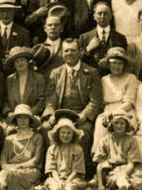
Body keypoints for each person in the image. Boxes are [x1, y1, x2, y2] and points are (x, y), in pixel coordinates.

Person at [42, 38, 103, 167]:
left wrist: (84, 115)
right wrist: (51, 114)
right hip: (60, 115)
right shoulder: (55, 73)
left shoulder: (91, 72)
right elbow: (50, 99)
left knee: (83, 132)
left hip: (80, 116)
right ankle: (53, 169)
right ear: (62, 54)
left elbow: (95, 100)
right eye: (66, 50)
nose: (69, 53)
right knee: (46, 128)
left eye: (73, 50)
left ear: (80, 52)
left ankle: (80, 170)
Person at [92, 105, 142, 190]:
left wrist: (124, 173)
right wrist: (100, 185)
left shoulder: (132, 140)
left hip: (129, 169)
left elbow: (131, 164)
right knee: (115, 178)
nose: (119, 126)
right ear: (111, 125)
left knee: (130, 179)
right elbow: (100, 165)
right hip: (113, 169)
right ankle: (126, 189)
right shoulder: (105, 141)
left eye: (122, 123)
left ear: (126, 125)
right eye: (116, 123)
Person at [91, 47, 139, 155]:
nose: (116, 66)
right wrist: (107, 113)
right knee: (100, 124)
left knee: (122, 124)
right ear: (108, 64)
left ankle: (125, 157)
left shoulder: (131, 78)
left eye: (119, 63)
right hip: (108, 109)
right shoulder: (104, 80)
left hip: (125, 109)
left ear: (124, 65)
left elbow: (129, 101)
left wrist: (114, 114)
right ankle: (102, 157)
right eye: (113, 63)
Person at [0, 104, 45, 190]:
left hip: (29, 170)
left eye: (25, 118)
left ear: (30, 120)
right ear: (15, 120)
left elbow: (36, 160)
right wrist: (7, 167)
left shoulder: (37, 137)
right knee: (3, 173)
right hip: (10, 168)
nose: (22, 120)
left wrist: (18, 167)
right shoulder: (9, 139)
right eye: (19, 118)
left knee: (11, 174)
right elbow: (3, 160)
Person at [43, 111, 86, 190]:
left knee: (69, 187)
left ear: (73, 134)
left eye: (68, 133)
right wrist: (58, 181)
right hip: (56, 177)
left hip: (73, 178)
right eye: (63, 132)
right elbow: (52, 169)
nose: (65, 135)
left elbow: (76, 170)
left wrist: (67, 181)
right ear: (58, 134)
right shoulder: (52, 149)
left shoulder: (77, 149)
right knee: (54, 186)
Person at [0, 0, 30, 73]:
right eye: (2, 11)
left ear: (14, 12)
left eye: (9, 11)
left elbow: (26, 55)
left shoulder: (23, 32)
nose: (5, 14)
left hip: (15, 73)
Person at [79, 2, 126, 72]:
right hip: (91, 77)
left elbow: (124, 61)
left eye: (105, 13)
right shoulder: (84, 37)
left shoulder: (120, 38)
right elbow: (77, 60)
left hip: (113, 77)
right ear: (94, 16)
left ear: (110, 16)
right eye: (99, 13)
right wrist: (88, 50)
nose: (102, 16)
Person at [4, 45, 47, 118]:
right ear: (14, 65)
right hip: (14, 117)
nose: (20, 63)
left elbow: (41, 100)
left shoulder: (38, 78)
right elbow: (5, 101)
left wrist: (29, 113)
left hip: (33, 116)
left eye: (22, 60)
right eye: (17, 61)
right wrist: (9, 113)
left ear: (27, 62)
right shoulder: (10, 79)